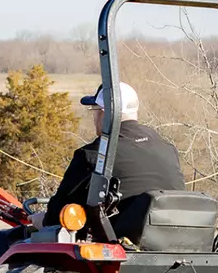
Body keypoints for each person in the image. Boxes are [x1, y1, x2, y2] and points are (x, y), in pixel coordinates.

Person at [39, 82, 184, 227]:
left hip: (121, 243)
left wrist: (41, 220)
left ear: (104, 113)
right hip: (177, 238)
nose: (94, 117)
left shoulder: (92, 155)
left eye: (94, 110)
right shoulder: (168, 149)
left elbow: (56, 215)